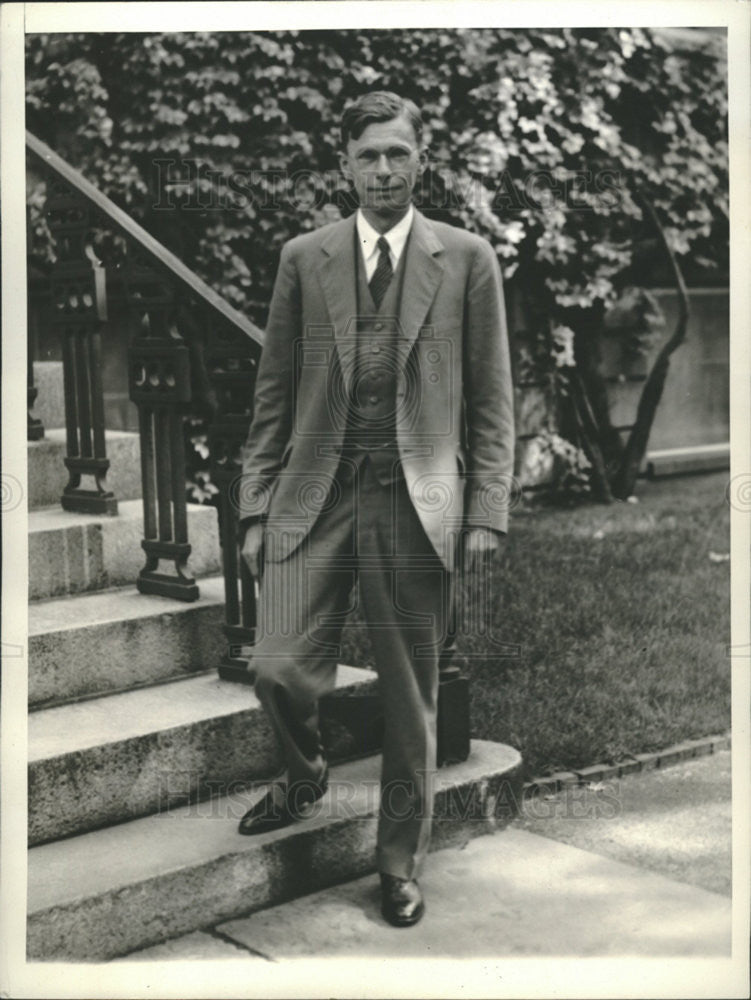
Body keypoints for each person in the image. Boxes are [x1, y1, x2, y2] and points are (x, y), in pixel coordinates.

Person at [235, 91, 515, 928]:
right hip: (313, 493)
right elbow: (273, 394)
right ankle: (303, 775)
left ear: (420, 160)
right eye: (368, 157)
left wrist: (486, 510)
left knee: (407, 701)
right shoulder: (304, 257)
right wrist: (255, 507)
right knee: (275, 665)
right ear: (344, 165)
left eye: (397, 154)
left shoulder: (465, 259)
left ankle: (398, 863)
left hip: (413, 500)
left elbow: (491, 397)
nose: (383, 171)